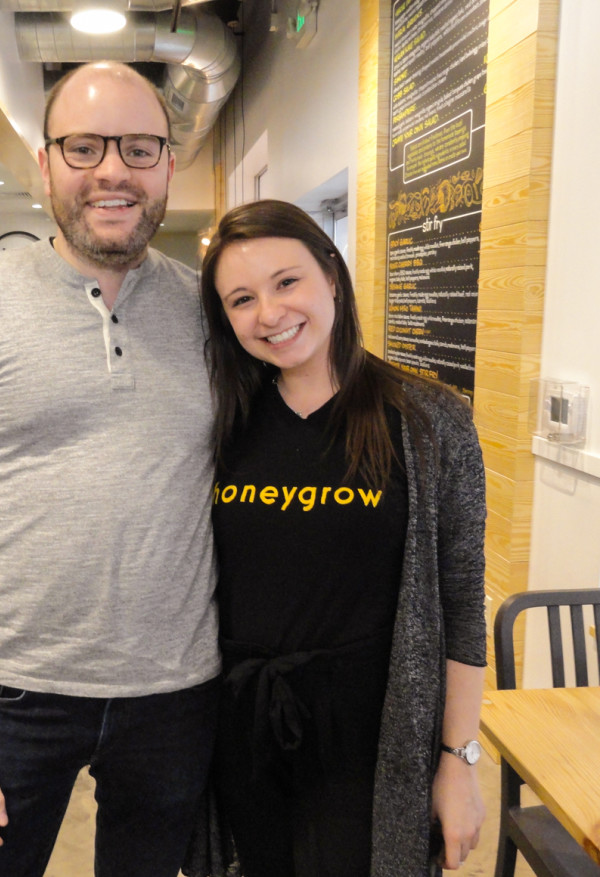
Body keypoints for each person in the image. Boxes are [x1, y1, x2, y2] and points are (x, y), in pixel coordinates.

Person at [0, 61, 220, 877]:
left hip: (178, 693)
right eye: (85, 146)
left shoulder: (211, 311)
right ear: (45, 163)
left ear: (170, 164)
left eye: (140, 148)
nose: (112, 170)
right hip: (16, 692)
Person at [196, 200, 486, 876]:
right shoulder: (219, 426)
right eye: (242, 298)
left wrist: (458, 759)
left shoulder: (427, 419)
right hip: (241, 729)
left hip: (376, 734)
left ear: (332, 273)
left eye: (286, 281)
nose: (269, 312)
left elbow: (462, 598)